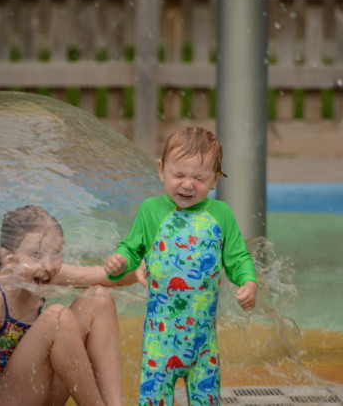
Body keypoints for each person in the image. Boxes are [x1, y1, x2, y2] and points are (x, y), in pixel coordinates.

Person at [104, 125, 258, 405]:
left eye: (199, 178)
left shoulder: (221, 214)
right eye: (178, 175)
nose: (187, 184)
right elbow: (131, 248)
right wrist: (121, 261)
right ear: (162, 170)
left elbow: (238, 257)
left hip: (203, 345)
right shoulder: (151, 210)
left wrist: (248, 281)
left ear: (215, 180)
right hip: (159, 343)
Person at [0, 205, 145, 406]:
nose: (48, 265)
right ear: (8, 259)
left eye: (56, 252)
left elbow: (108, 277)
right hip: (1, 400)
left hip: (39, 392)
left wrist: (151, 267)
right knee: (57, 317)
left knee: (99, 298)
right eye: (36, 255)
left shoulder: (44, 275)